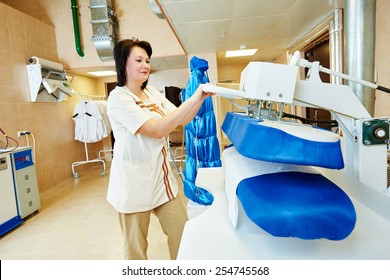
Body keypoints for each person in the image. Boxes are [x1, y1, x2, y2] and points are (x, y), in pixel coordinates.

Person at [106, 38, 214, 260]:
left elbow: (183, 119)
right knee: (136, 249)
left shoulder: (153, 93)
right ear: (123, 64)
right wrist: (193, 98)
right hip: (133, 185)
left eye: (147, 60)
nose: (145, 64)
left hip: (161, 181)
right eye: (138, 60)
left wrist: (199, 100)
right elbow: (155, 129)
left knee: (182, 232)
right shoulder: (119, 98)